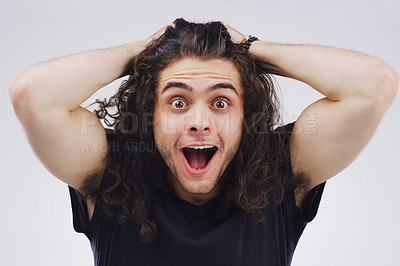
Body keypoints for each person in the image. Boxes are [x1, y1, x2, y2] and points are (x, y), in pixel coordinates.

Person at [9, 18, 397, 266]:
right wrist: (141, 53)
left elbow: (374, 86)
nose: (199, 122)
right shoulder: (109, 169)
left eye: (221, 102)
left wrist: (249, 46)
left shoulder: (282, 170)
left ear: (246, 117)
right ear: (150, 113)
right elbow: (33, 95)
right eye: (177, 102)